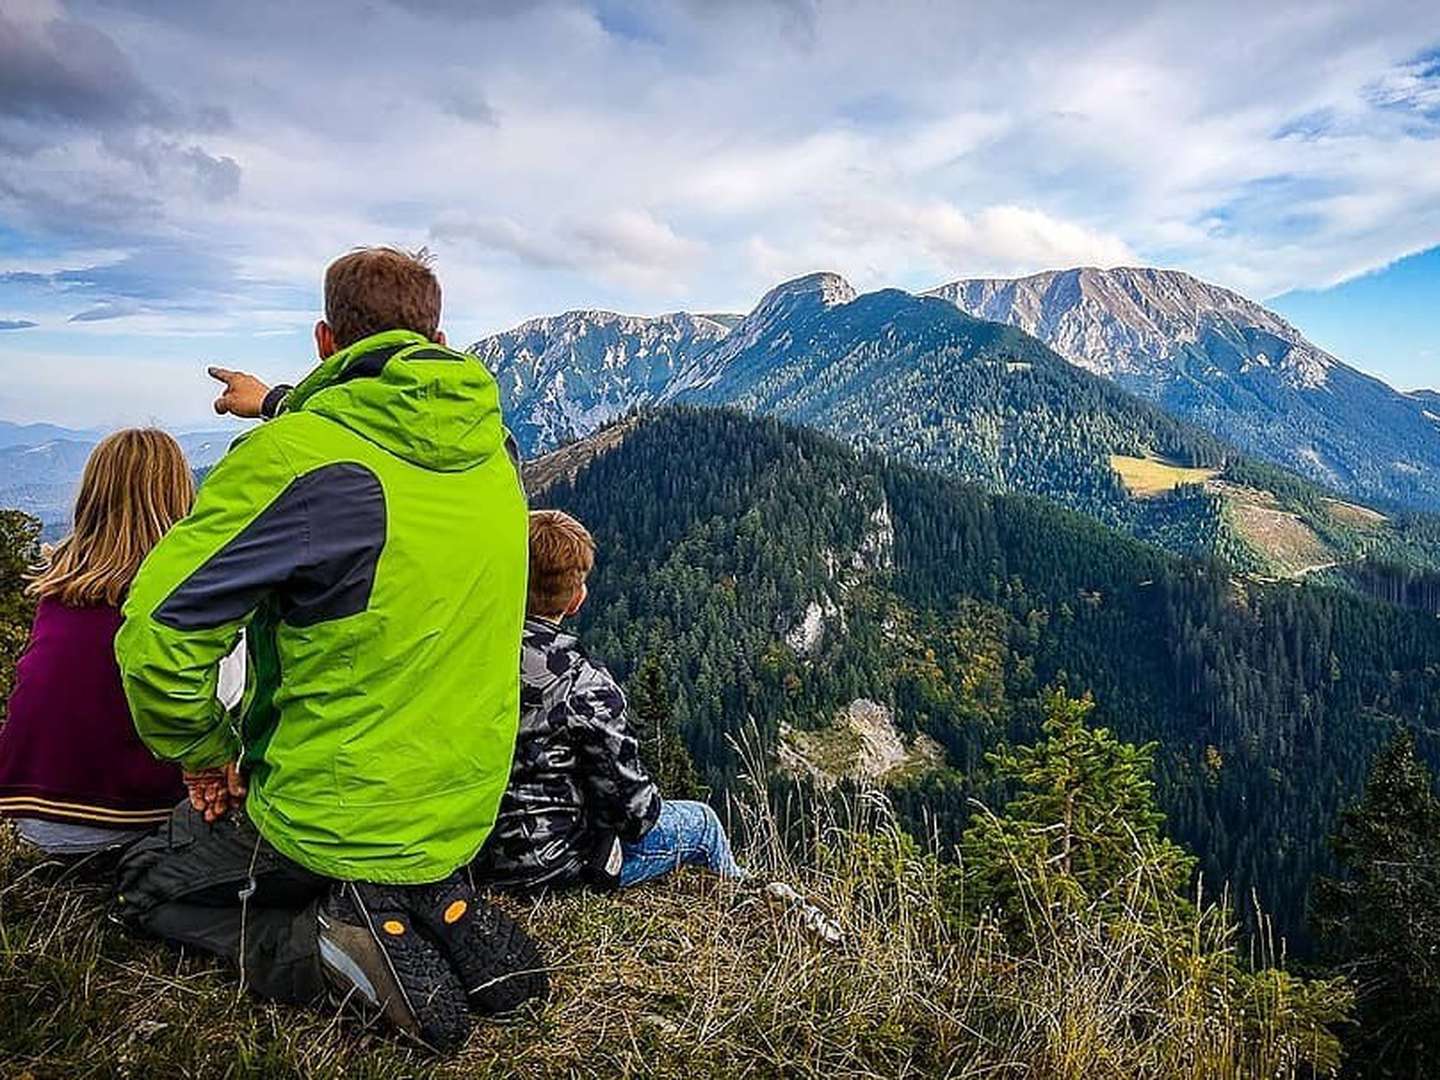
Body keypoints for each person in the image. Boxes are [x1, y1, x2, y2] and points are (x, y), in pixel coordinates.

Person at [112, 247, 545, 1052]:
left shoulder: (295, 462)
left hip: (333, 816)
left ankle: (324, 945)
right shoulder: (497, 451)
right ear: (437, 338)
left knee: (148, 881)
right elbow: (377, 449)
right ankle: (427, 901)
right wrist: (276, 403)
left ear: (323, 340)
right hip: (460, 809)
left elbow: (158, 631)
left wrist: (204, 748)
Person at [475, 509, 744, 894]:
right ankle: (747, 903)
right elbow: (635, 815)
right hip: (553, 866)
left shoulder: (469, 655)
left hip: (471, 852)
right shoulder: (584, 686)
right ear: (577, 599)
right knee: (702, 823)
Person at [0, 430, 195, 861]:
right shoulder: (181, 596)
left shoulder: (59, 584)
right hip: (133, 818)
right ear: (179, 497)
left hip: (32, 817)